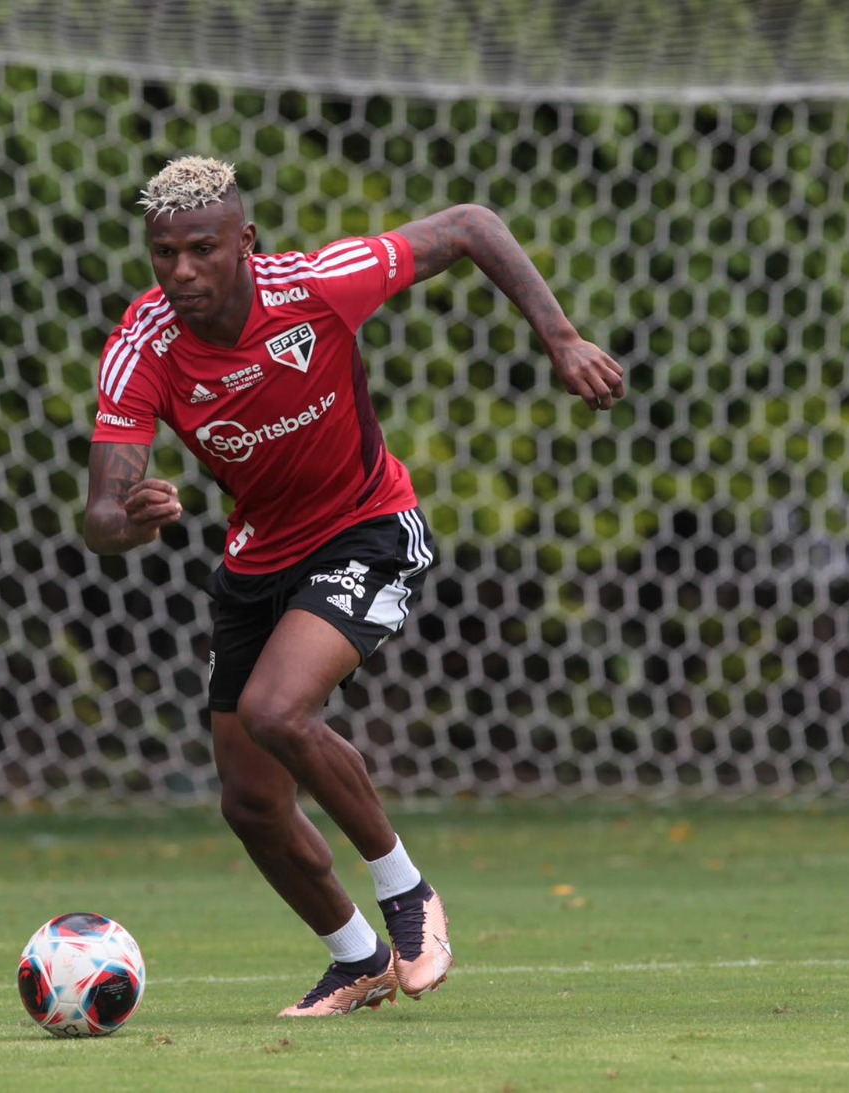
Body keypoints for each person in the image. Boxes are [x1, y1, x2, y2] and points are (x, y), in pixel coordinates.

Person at [84, 156, 625, 1017]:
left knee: (277, 710)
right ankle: (356, 958)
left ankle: (408, 895)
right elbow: (99, 520)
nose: (181, 271)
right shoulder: (144, 346)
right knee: (250, 801)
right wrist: (130, 517)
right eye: (163, 253)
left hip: (367, 528)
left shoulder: (317, 286)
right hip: (256, 560)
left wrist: (559, 338)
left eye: (201, 249)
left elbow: (471, 223)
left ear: (245, 244)